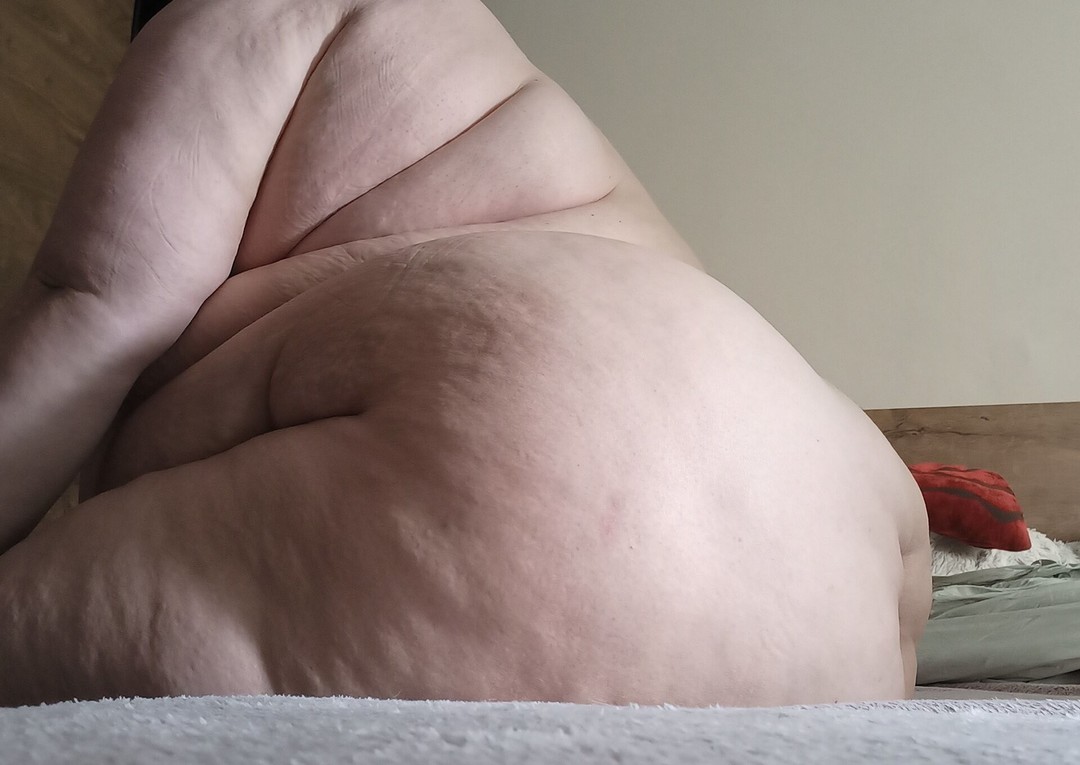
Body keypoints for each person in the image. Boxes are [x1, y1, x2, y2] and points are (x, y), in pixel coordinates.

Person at [0, 0, 930, 706]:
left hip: (546, 446)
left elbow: (100, 300)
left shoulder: (251, 13)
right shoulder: (498, 82)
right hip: (852, 533)